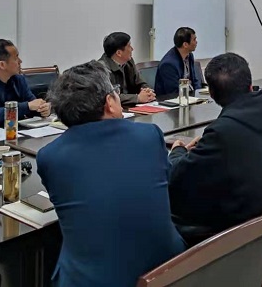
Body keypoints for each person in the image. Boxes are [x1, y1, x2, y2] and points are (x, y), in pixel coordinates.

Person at [37, 62, 185, 287]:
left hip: (89, 279)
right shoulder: (149, 135)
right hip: (166, 271)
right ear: (110, 103)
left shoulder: (50, 156)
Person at [168, 53, 262, 244]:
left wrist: (178, 151)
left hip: (251, 241)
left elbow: (176, 178)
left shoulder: (222, 132)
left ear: (212, 94)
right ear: (250, 85)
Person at [0, 39, 50, 126]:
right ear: (2, 65)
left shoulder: (19, 80)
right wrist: (27, 106)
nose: (20, 61)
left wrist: (43, 109)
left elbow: (32, 105)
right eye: (16, 58)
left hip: (14, 130)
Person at [97, 32, 156, 106]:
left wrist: (147, 91)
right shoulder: (101, 69)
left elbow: (139, 82)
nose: (132, 49)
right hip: (114, 109)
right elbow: (110, 97)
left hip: (131, 107)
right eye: (129, 46)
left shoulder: (128, 61)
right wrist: (137, 98)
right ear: (119, 53)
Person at [154, 27, 202, 95]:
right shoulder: (168, 64)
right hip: (172, 99)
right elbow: (174, 91)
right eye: (194, 39)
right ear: (185, 44)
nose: (196, 42)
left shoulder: (189, 56)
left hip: (189, 95)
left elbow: (194, 81)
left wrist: (199, 94)